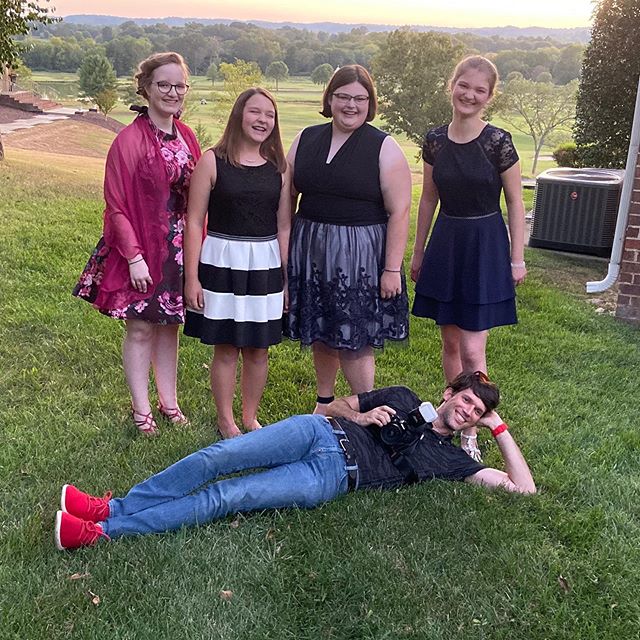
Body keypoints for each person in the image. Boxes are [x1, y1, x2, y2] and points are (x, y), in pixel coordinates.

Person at [54, 371, 535, 550]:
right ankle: (112, 507)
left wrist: (500, 429)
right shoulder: (405, 396)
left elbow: (523, 490)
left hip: (331, 476)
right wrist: (364, 417)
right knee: (218, 456)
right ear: (450, 392)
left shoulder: (453, 460)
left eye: (478, 411)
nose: (468, 410)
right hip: (319, 431)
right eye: (467, 400)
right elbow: (328, 407)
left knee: (228, 495)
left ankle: (103, 533)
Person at [73, 52, 201, 435]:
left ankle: (169, 402)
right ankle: (141, 410)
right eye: (164, 84)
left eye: (179, 85)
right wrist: (133, 257)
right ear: (145, 88)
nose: (173, 92)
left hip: (178, 250)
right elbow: (115, 206)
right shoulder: (128, 140)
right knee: (141, 329)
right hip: (142, 250)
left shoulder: (188, 136)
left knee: (168, 328)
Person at [410, 55, 527, 461]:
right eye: (465, 85)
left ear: (489, 96)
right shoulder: (435, 140)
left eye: (480, 90)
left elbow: (515, 202)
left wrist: (517, 259)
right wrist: (418, 250)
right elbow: (428, 198)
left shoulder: (499, 141)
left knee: (474, 353)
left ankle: (472, 433)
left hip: (485, 245)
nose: (470, 95)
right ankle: (451, 417)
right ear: (452, 84)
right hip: (447, 242)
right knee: (449, 342)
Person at [285, 64, 412, 413]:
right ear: (330, 98)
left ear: (370, 103)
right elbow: (287, 196)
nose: (351, 105)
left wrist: (391, 269)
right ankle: (324, 403)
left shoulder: (383, 147)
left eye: (360, 98)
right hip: (310, 247)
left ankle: (366, 408)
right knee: (322, 327)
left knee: (355, 336)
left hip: (361, 256)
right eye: (343, 96)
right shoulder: (305, 139)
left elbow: (399, 211)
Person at [183, 88, 290, 439]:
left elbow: (284, 225)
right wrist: (192, 279)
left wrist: (286, 279)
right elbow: (195, 221)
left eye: (269, 115)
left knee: (259, 348)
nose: (262, 120)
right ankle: (225, 420)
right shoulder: (212, 161)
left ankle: (249, 418)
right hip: (221, 262)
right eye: (255, 112)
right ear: (239, 116)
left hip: (264, 263)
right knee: (227, 346)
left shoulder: (279, 168)